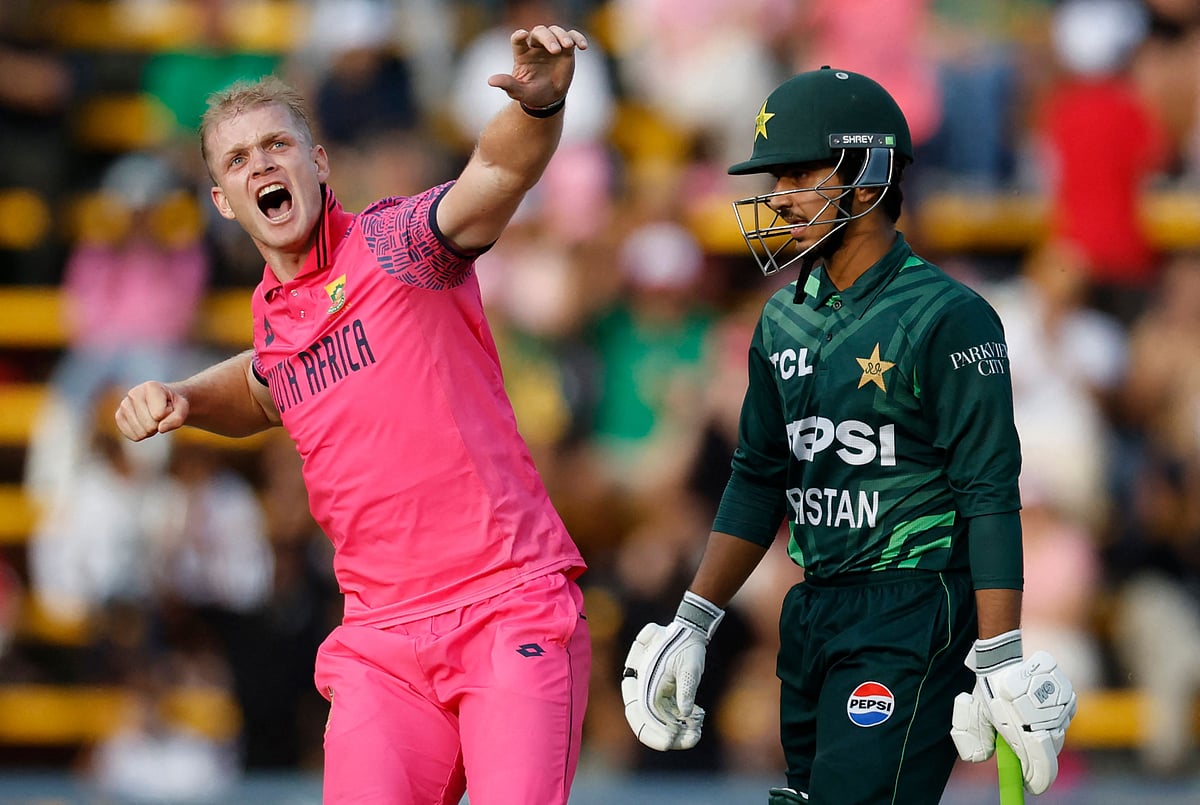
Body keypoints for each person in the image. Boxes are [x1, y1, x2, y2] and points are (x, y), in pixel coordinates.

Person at [114, 24, 591, 805]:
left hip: (508, 608)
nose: (261, 164)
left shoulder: (396, 244)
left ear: (319, 162)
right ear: (221, 202)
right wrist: (188, 398)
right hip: (381, 647)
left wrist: (540, 109)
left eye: (277, 145)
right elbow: (269, 382)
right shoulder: (272, 314)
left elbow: (496, 173)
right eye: (237, 160)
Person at [620, 67, 1077, 804]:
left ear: (866, 178)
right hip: (814, 606)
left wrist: (1001, 652)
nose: (776, 197)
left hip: (914, 606)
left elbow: (988, 486)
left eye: (799, 174)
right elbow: (758, 476)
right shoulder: (782, 318)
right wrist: (693, 617)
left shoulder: (947, 316)